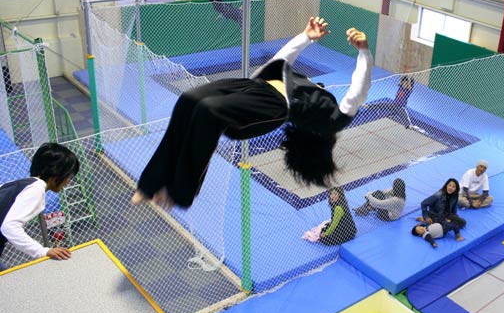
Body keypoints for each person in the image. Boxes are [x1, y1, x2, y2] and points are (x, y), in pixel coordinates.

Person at [132, 16, 373, 208]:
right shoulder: (311, 93)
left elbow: (358, 92)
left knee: (208, 111)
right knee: (188, 99)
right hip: (254, 87)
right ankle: (150, 183)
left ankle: (178, 193)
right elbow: (281, 61)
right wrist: (306, 37)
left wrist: (364, 51)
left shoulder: (333, 121)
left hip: (272, 106)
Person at [0, 143, 79, 270]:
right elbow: (9, 226)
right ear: (56, 176)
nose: (68, 182)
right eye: (69, 176)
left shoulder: (17, 184)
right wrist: (42, 251)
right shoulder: (36, 189)